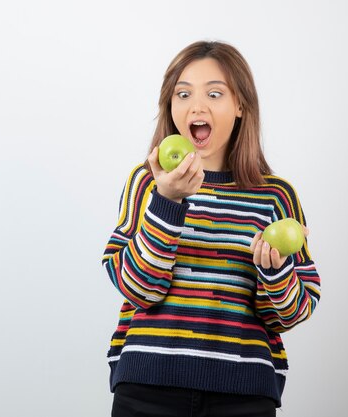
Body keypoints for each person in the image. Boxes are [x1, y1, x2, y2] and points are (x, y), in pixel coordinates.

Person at [101, 40, 321, 417]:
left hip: (244, 393)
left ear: (240, 106)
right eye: (182, 94)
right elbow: (140, 290)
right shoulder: (148, 182)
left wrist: (274, 271)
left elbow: (291, 313)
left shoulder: (275, 196)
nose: (196, 106)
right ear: (170, 107)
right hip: (147, 387)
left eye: (214, 93)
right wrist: (167, 203)